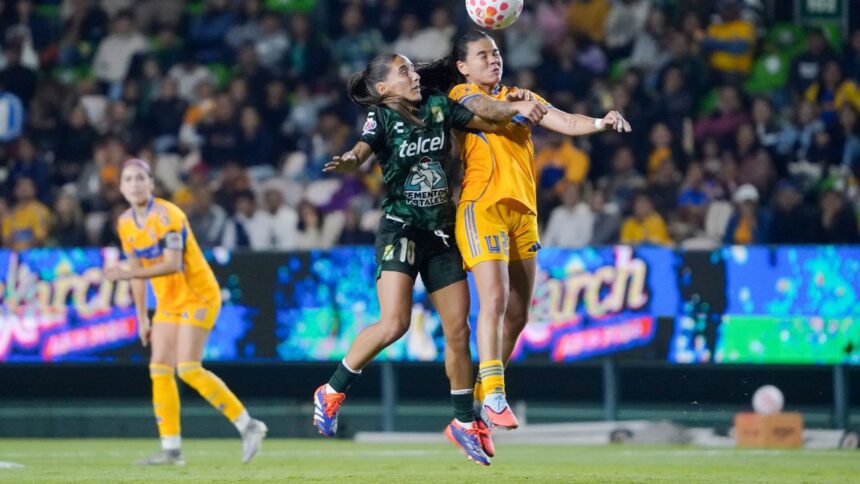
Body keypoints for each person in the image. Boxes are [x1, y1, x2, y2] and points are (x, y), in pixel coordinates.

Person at [312, 53, 544, 466]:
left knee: (458, 330)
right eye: (403, 72)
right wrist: (351, 159)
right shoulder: (381, 117)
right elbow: (363, 147)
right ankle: (331, 390)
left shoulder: (438, 105)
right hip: (401, 227)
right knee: (395, 323)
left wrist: (517, 110)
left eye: (412, 68)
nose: (413, 75)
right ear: (384, 89)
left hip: (441, 232)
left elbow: (485, 119)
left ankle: (463, 423)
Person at [417, 30, 630, 433]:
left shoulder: (521, 94)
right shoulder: (461, 95)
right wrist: (515, 109)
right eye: (482, 55)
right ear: (463, 66)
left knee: (518, 313)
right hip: (483, 208)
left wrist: (602, 122)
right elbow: (488, 108)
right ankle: (496, 394)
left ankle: (477, 402)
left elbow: (564, 120)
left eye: (495, 53)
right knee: (494, 298)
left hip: (523, 213)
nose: (493, 60)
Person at [104, 159, 267, 466]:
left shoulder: (169, 215)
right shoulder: (125, 222)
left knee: (189, 368)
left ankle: (249, 426)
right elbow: (138, 272)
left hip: (198, 295)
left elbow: (172, 263)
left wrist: (124, 273)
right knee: (159, 368)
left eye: (141, 178)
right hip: (168, 302)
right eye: (129, 179)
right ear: (121, 187)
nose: (135, 183)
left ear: (152, 184)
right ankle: (171, 449)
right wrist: (141, 317)